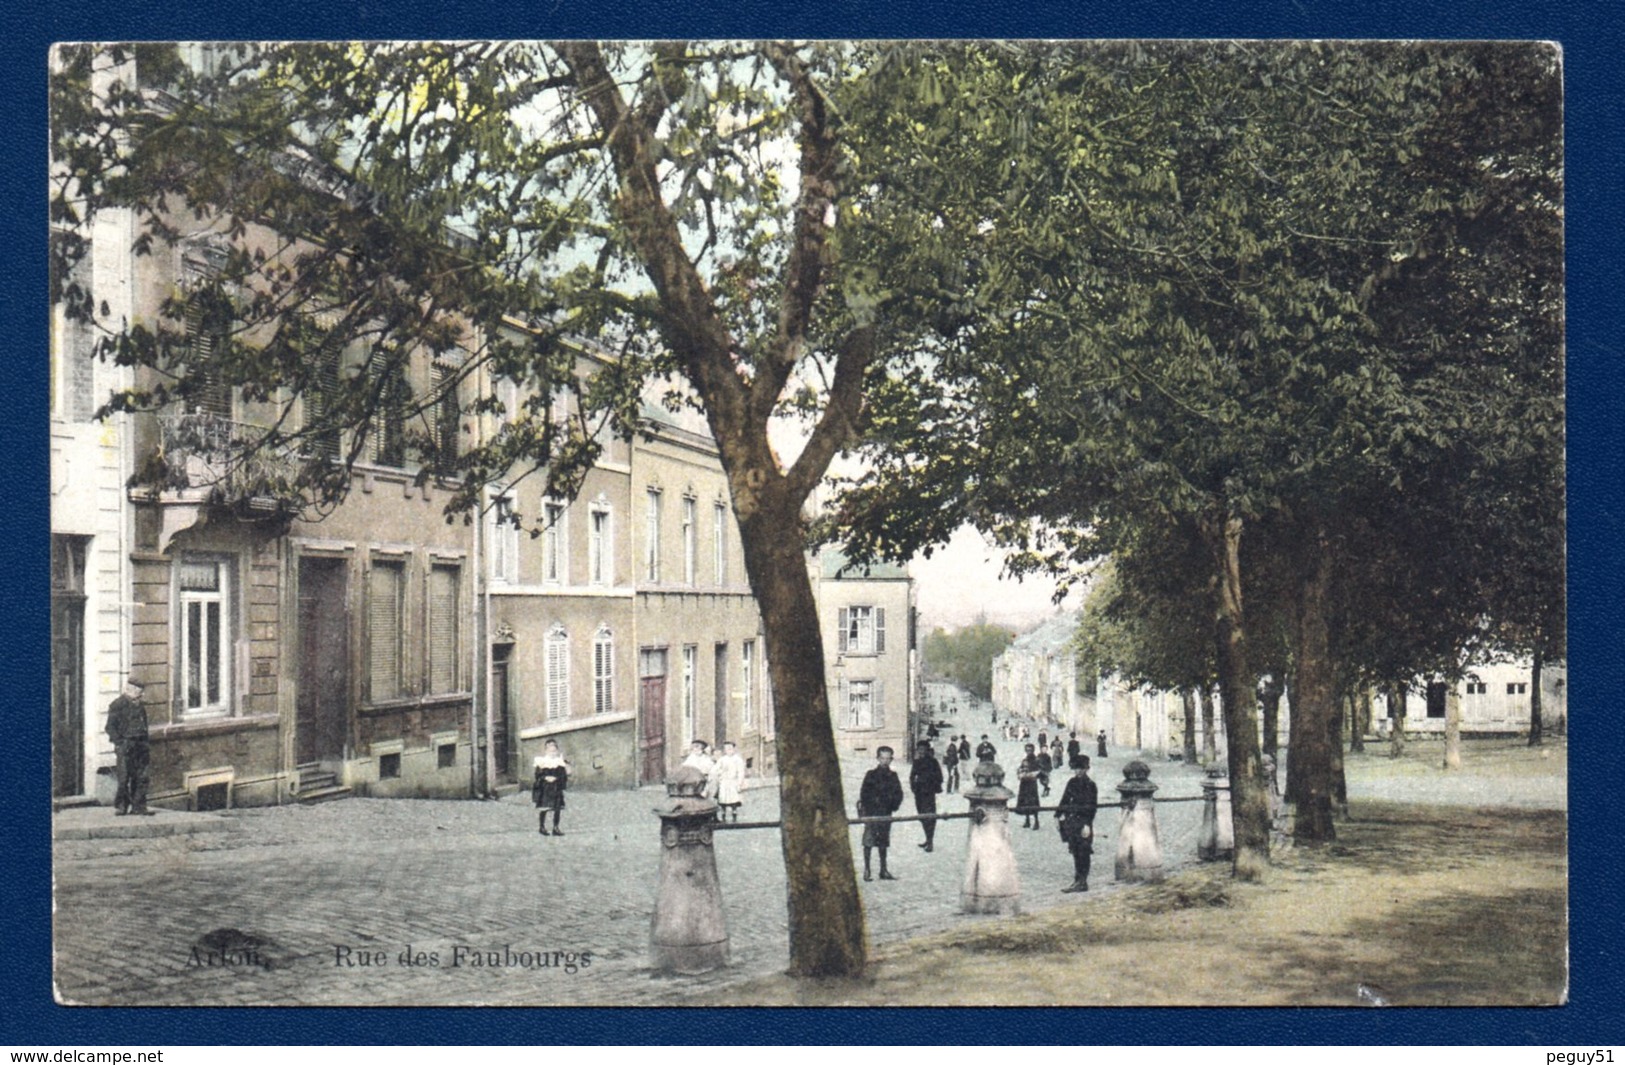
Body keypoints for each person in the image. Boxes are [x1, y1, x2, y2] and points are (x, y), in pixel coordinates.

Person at [857, 746, 905, 881]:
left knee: (883, 841)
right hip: (872, 813)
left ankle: (883, 870)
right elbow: (864, 793)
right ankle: (867, 870)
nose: (885, 761)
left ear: (891, 759)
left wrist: (893, 805)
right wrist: (870, 805)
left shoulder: (893, 776)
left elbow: (899, 794)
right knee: (868, 841)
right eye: (882, 758)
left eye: (887, 758)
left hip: (885, 812)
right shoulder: (870, 774)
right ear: (878, 759)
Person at [106, 679, 152, 816]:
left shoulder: (140, 706)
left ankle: (139, 807)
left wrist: (145, 742)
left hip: (141, 744)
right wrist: (120, 743)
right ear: (130, 689)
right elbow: (110, 727)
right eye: (139, 691)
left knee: (142, 777)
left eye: (141, 691)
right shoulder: (117, 705)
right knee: (124, 777)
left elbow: (144, 725)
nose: (141, 694)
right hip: (126, 745)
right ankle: (122, 806)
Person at [1056, 754, 1100, 891]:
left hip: (1083, 821)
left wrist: (1087, 824)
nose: (1078, 771)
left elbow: (1092, 808)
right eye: (1076, 769)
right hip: (1071, 821)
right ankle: (1077, 880)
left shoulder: (1091, 785)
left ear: (1087, 769)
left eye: (1081, 769)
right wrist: (1057, 816)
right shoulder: (1071, 782)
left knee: (1084, 851)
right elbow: (1064, 799)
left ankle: (1083, 881)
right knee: (1075, 850)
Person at [909, 740, 945, 852]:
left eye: (923, 749)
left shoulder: (933, 762)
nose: (921, 751)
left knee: (929, 817)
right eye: (919, 749)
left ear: (927, 750)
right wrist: (913, 787)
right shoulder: (917, 762)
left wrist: (932, 785)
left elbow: (940, 777)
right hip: (919, 793)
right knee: (921, 816)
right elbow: (912, 776)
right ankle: (927, 838)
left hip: (929, 794)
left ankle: (930, 842)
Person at [531, 739, 571, 836]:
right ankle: (542, 826)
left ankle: (555, 827)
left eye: (554, 751)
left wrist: (557, 778)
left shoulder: (559, 763)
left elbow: (564, 775)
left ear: (557, 751)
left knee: (557, 809)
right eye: (550, 750)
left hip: (556, 787)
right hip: (545, 788)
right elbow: (537, 775)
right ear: (546, 751)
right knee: (544, 808)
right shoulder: (542, 762)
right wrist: (545, 778)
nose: (552, 753)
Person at [709, 740, 746, 823]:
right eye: (726, 749)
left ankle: (734, 815)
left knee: (733, 800)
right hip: (724, 782)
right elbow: (715, 770)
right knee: (723, 800)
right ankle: (723, 815)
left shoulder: (737, 760)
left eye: (730, 748)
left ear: (734, 749)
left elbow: (741, 772)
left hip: (733, 782)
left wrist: (740, 783)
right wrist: (718, 774)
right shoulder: (722, 760)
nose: (728, 750)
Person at [1015, 743, 1043, 829]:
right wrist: (1020, 772)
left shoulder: (1036, 760)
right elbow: (1020, 769)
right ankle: (1027, 820)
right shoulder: (1024, 760)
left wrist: (1033, 774)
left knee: (1033, 802)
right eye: (1027, 750)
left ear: (1033, 750)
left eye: (1030, 750)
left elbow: (1040, 771)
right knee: (1025, 802)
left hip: (1032, 784)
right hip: (1024, 783)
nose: (1028, 752)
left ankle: (1036, 821)